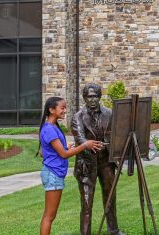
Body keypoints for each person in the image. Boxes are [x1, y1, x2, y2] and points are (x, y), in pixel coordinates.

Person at [38, 96, 103, 235]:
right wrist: (85, 144)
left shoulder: (53, 126)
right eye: (62, 108)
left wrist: (64, 146)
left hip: (53, 173)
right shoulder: (49, 129)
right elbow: (63, 155)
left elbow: (45, 151)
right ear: (51, 110)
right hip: (52, 174)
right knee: (49, 216)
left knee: (50, 215)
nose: (65, 110)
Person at [71, 84, 125, 235]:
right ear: (84, 98)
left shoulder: (109, 113)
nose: (92, 99)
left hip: (106, 162)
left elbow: (116, 135)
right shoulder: (78, 117)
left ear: (100, 97)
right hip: (86, 165)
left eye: (95, 96)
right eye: (89, 96)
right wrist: (92, 145)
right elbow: (80, 139)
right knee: (87, 203)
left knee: (110, 197)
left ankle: (113, 230)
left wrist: (109, 146)